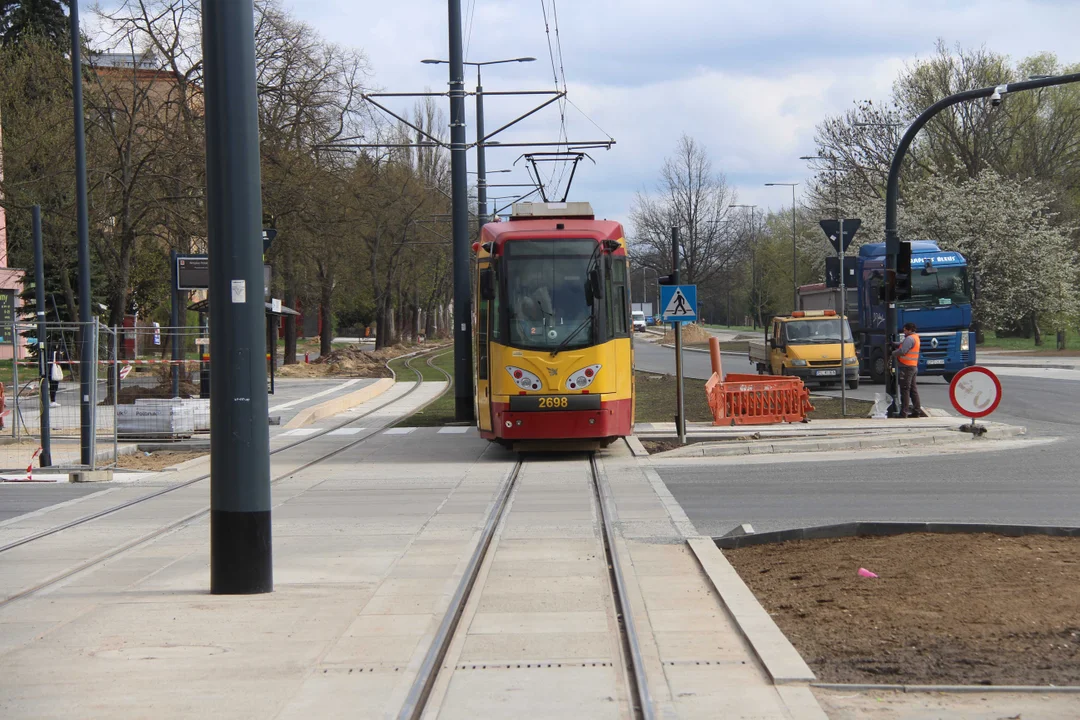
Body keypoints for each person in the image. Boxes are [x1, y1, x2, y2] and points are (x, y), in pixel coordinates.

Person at [892, 322, 925, 418]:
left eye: (905, 330)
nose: (904, 332)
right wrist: (894, 344)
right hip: (913, 367)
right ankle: (916, 411)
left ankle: (904, 413)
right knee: (913, 390)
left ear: (909, 330)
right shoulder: (915, 337)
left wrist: (892, 353)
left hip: (906, 367)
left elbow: (903, 351)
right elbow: (903, 345)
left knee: (905, 390)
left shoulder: (909, 338)